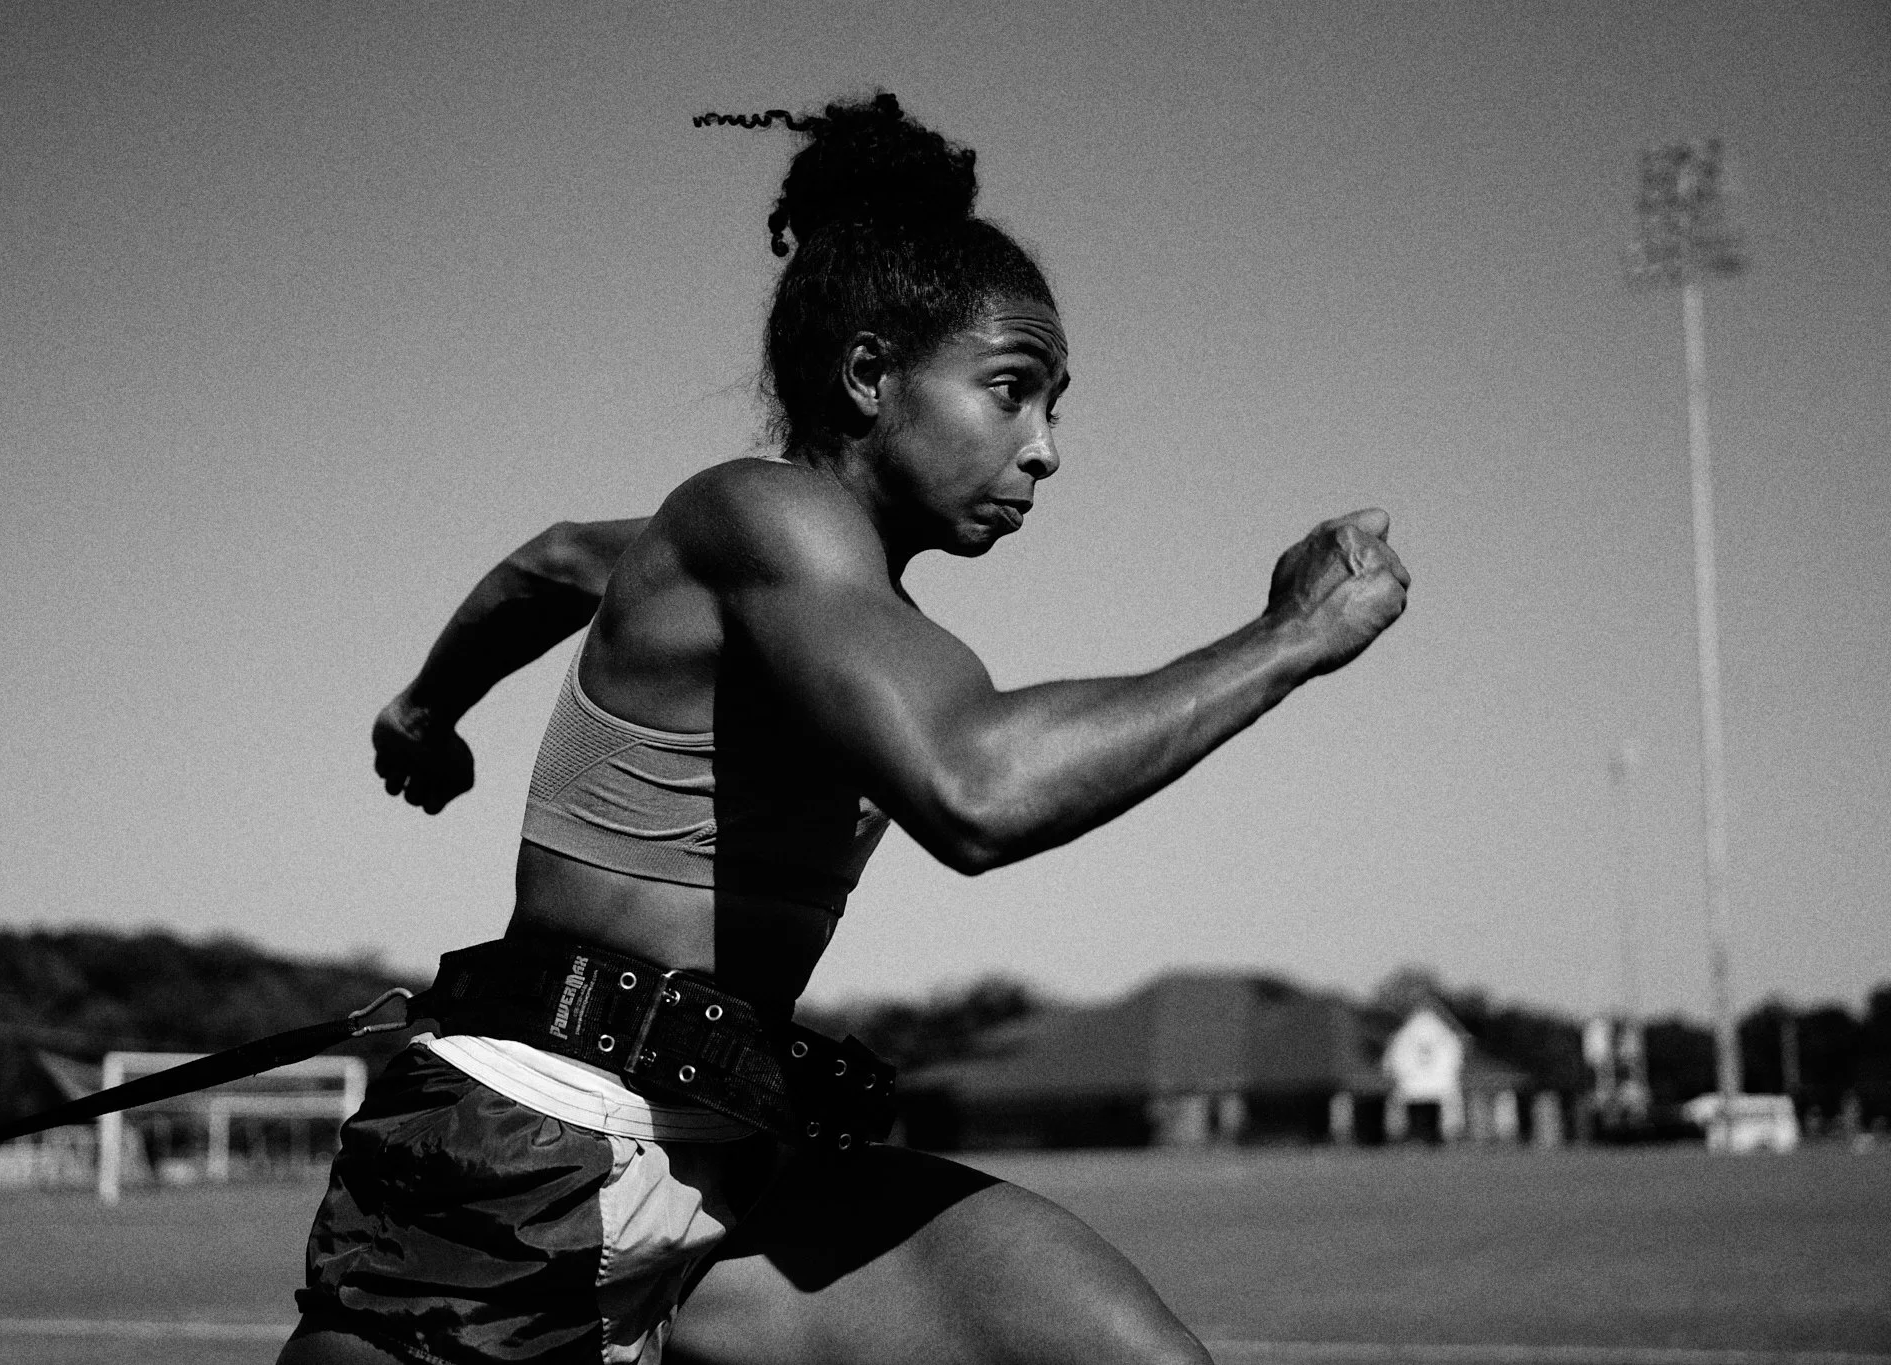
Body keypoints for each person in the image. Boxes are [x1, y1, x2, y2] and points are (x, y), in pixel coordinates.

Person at [281, 93, 1408, 1365]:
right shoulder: (761, 519)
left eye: (1055, 406)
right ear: (870, 375)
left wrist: (426, 709)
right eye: (1010, 392)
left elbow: (551, 566)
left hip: (731, 1180)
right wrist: (1289, 635)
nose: (1044, 450)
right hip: (516, 1156)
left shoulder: (779, 583)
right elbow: (974, 791)